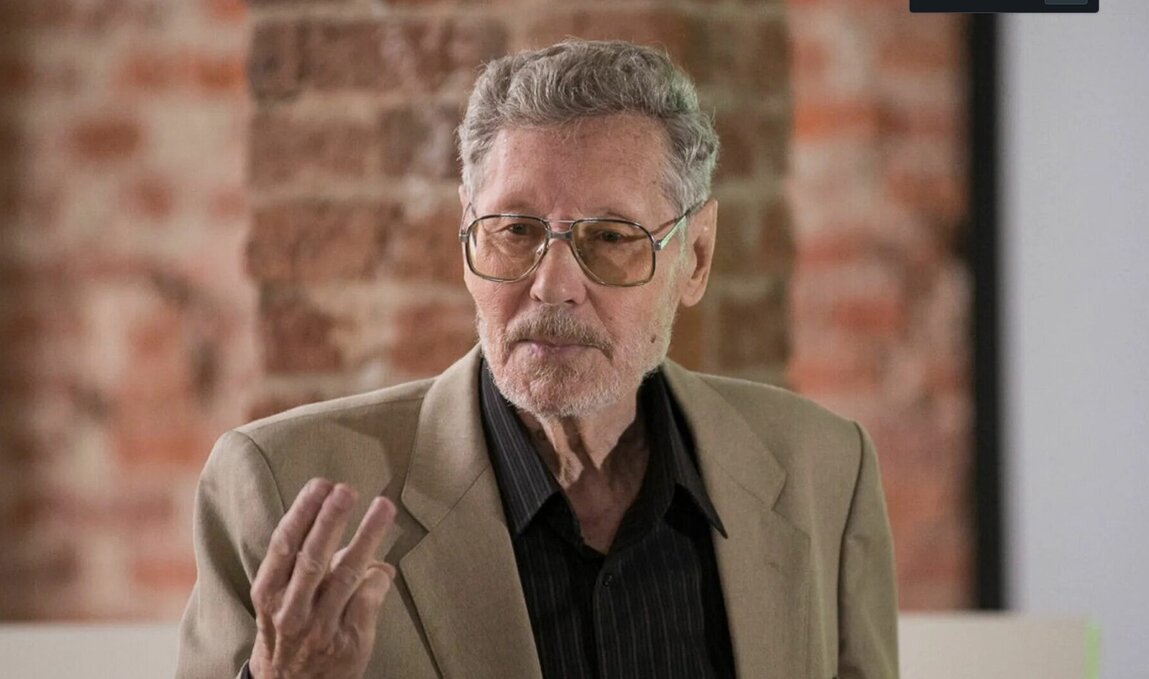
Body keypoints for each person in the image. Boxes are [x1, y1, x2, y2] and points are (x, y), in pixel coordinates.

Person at [177, 39, 898, 679]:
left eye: (610, 237)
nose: (552, 285)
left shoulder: (823, 469)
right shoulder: (278, 485)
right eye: (516, 231)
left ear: (697, 256)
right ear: (467, 234)